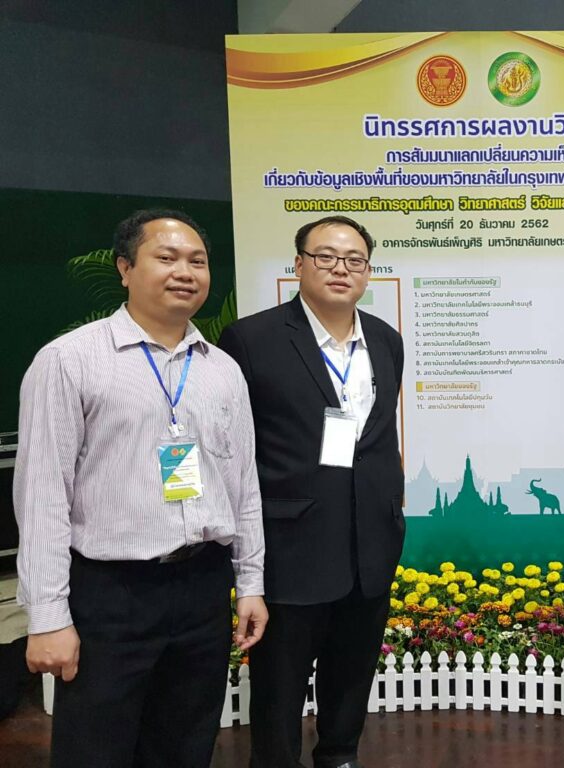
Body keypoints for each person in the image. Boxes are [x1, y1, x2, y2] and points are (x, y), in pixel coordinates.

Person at [14, 209, 267, 767]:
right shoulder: (69, 361)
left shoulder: (223, 370)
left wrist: (250, 582)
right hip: (112, 593)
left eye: (197, 261)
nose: (185, 272)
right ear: (125, 268)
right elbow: (42, 497)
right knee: (95, 749)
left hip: (202, 586)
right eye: (166, 257)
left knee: (186, 745)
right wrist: (49, 617)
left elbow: (242, 484)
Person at [218, 215, 404, 768]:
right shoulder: (251, 339)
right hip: (291, 547)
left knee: (351, 678)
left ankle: (340, 756)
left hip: (369, 545)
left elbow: (374, 442)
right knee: (279, 689)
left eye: (354, 260)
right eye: (326, 256)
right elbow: (235, 449)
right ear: (299, 264)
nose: (340, 268)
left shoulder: (386, 340)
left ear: (368, 271)